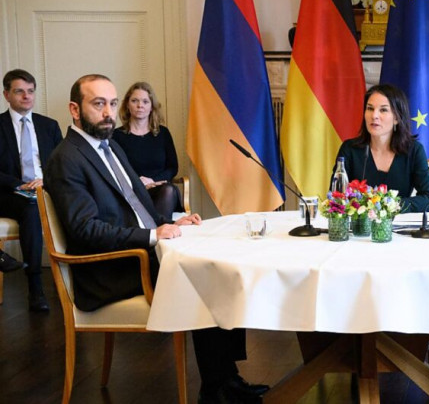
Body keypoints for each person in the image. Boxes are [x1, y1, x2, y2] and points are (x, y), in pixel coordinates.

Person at [44, 74, 267, 404]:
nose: (107, 112)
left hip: (137, 255)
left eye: (112, 103)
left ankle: (226, 379)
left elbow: (138, 207)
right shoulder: (67, 158)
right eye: (98, 104)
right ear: (75, 110)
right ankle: (216, 388)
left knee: (220, 265)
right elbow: (85, 229)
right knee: (208, 275)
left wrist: (171, 222)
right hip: (110, 270)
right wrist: (152, 236)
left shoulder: (111, 147)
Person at [0, 68, 63, 311]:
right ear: (6, 94)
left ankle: (81, 277)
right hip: (9, 192)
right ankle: (36, 288)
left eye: (30, 91)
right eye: (19, 91)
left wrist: (45, 180)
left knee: (36, 205)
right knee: (30, 207)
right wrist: (18, 184)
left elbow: (63, 165)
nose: (26, 96)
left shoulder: (49, 126)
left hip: (44, 190)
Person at [333, 84, 429, 212]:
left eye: (383, 110)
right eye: (370, 108)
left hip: (398, 223)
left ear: (396, 118)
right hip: (358, 223)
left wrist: (389, 206)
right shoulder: (349, 149)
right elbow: (336, 197)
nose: (374, 115)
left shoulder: (413, 150)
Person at [112, 82, 182, 220]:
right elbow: (115, 169)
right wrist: (138, 183)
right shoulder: (116, 136)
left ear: (151, 107)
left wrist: (152, 181)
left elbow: (172, 168)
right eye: (134, 101)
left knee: (168, 190)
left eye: (145, 101)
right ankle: (155, 231)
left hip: (160, 189)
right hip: (132, 191)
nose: (140, 105)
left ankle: (158, 231)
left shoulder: (163, 133)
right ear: (127, 105)